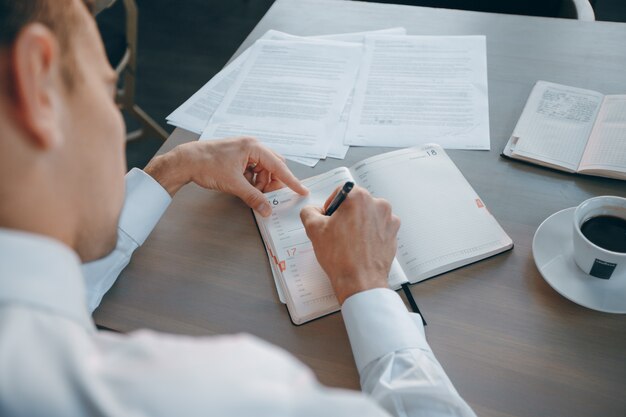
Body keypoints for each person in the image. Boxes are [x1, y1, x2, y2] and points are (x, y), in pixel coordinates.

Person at [0, 1, 476, 416]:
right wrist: (367, 285)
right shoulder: (215, 393)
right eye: (108, 92)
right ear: (37, 80)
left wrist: (174, 167)